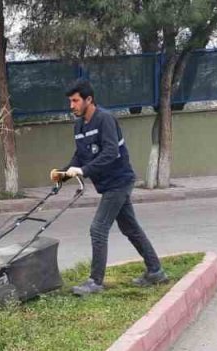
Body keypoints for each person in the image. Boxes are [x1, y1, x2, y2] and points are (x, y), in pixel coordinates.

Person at [52, 80, 165, 296]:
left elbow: (111, 152)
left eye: (75, 101)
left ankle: (95, 282)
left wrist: (83, 171)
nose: (71, 106)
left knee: (98, 229)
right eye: (70, 101)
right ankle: (156, 271)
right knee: (130, 228)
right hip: (107, 185)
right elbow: (80, 155)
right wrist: (64, 174)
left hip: (119, 181)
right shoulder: (79, 126)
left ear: (89, 99)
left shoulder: (105, 119)